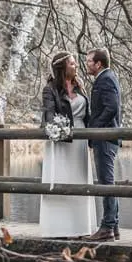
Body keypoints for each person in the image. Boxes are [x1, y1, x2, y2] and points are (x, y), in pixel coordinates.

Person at [38, 51, 97, 238]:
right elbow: (49, 115)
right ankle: (58, 228)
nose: (76, 66)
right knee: (61, 180)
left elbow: (88, 114)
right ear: (62, 67)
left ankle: (81, 227)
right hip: (61, 143)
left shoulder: (80, 87)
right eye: (72, 63)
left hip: (80, 142)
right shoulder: (50, 89)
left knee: (80, 181)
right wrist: (60, 130)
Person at [84, 48, 122, 241]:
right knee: (108, 182)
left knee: (106, 183)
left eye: (89, 61)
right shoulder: (107, 77)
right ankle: (113, 226)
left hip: (105, 138)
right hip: (106, 138)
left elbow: (112, 107)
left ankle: (107, 226)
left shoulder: (105, 79)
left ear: (98, 63)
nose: (87, 64)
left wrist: (96, 129)